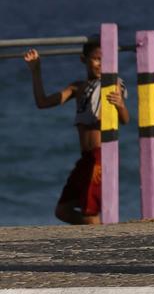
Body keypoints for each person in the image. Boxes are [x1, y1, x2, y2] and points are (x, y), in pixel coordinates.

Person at [24, 38, 129, 224]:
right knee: (62, 210)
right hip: (85, 158)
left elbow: (125, 120)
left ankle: (100, 243)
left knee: (90, 211)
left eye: (105, 60)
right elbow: (42, 102)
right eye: (96, 59)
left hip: (101, 156)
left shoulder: (111, 84)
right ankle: (101, 232)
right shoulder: (77, 88)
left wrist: (120, 105)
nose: (100, 64)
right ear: (84, 60)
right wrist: (35, 71)